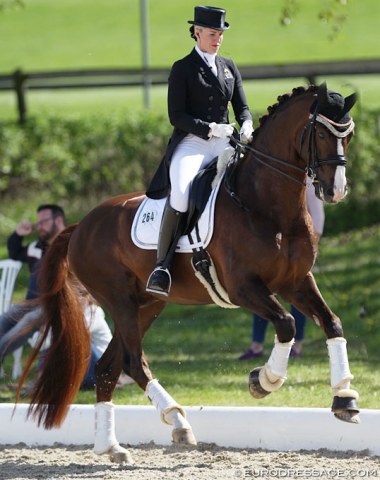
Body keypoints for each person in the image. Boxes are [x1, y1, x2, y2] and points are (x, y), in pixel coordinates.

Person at [145, 6, 254, 296]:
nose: (217, 39)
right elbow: (176, 115)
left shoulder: (229, 67)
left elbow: (241, 107)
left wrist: (246, 124)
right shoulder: (183, 68)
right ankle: (162, 266)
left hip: (225, 141)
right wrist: (209, 128)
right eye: (212, 33)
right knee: (180, 193)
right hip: (193, 142)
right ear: (197, 32)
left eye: (220, 34)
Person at [239, 177, 325, 360]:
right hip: (274, 246)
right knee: (263, 294)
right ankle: (256, 345)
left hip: (299, 247)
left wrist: (308, 246)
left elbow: (317, 218)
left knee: (299, 296)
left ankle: (297, 345)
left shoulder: (308, 180)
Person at [0, 204, 66, 360]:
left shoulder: (69, 245)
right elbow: (15, 252)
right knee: (6, 317)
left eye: (43, 221)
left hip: (56, 304)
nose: (39, 226)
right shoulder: (38, 247)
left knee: (29, 320)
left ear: (58, 220)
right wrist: (18, 234)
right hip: (31, 303)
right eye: (38, 223)